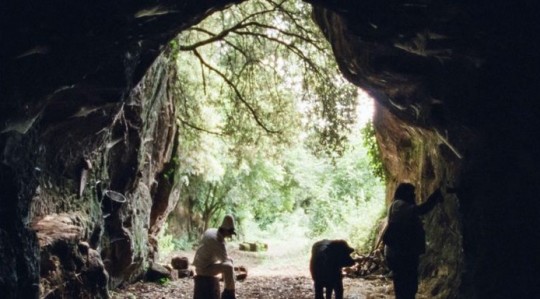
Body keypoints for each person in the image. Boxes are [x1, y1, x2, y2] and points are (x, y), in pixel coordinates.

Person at [383, 183, 443, 299]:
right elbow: (421, 210)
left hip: (401, 252)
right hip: (400, 253)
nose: (414, 195)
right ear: (406, 194)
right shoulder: (399, 205)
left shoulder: (398, 205)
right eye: (412, 193)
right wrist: (434, 197)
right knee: (406, 286)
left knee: (407, 285)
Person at [193, 214, 237, 299]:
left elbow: (223, 257)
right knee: (229, 267)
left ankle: (228, 285)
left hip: (202, 264)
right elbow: (225, 260)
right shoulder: (217, 242)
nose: (230, 235)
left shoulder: (211, 231)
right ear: (226, 231)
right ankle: (229, 294)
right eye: (230, 233)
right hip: (203, 270)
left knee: (229, 262)